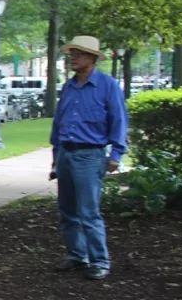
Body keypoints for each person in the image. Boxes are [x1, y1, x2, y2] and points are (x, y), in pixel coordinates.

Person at [49, 35, 128, 281]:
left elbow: (118, 120)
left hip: (90, 155)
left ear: (92, 58)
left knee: (89, 212)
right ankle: (77, 256)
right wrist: (55, 157)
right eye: (71, 53)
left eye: (78, 54)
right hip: (66, 153)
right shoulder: (69, 86)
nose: (72, 58)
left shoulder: (107, 85)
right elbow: (59, 123)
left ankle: (99, 261)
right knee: (67, 210)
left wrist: (116, 154)